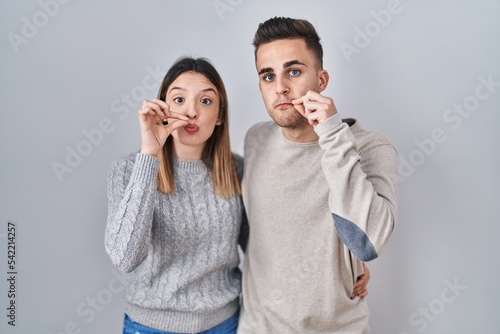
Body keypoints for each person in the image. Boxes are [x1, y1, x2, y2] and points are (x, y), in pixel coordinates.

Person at [237, 17, 398, 333]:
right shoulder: (255, 139)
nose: (281, 87)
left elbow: (368, 243)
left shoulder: (370, 147)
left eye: (293, 72)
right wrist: (337, 262)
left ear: (322, 80)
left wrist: (332, 133)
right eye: (268, 76)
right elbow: (256, 231)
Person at [105, 56, 247, 334]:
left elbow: (262, 250)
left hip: (225, 324)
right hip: (151, 327)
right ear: (163, 108)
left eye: (205, 101)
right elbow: (125, 258)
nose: (191, 112)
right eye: (179, 99)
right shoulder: (127, 169)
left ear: (219, 116)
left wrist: (346, 266)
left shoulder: (237, 170)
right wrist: (150, 153)